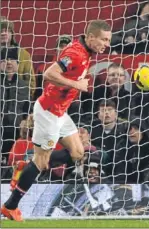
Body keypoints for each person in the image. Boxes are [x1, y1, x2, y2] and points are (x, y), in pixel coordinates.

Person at [1, 20, 112, 221]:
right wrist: (76, 84)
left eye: (108, 40)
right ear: (90, 37)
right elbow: (49, 73)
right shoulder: (76, 54)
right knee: (41, 164)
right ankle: (10, 205)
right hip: (48, 112)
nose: (106, 44)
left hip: (60, 112)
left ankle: (25, 166)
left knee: (78, 153)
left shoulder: (85, 51)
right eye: (103, 39)